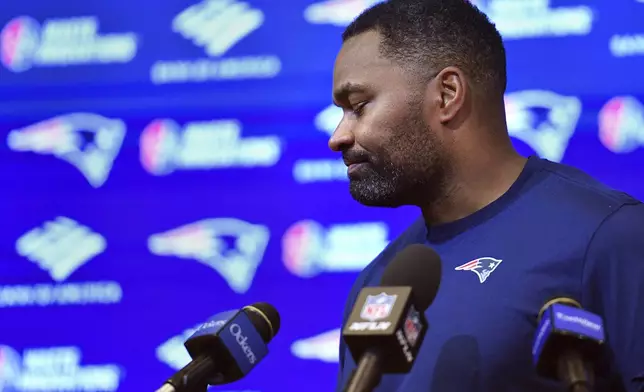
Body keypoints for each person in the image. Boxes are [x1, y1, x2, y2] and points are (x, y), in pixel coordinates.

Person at [328, 0, 644, 391]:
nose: (338, 136)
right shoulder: (377, 284)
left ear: (447, 94)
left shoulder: (609, 236)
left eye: (358, 107)